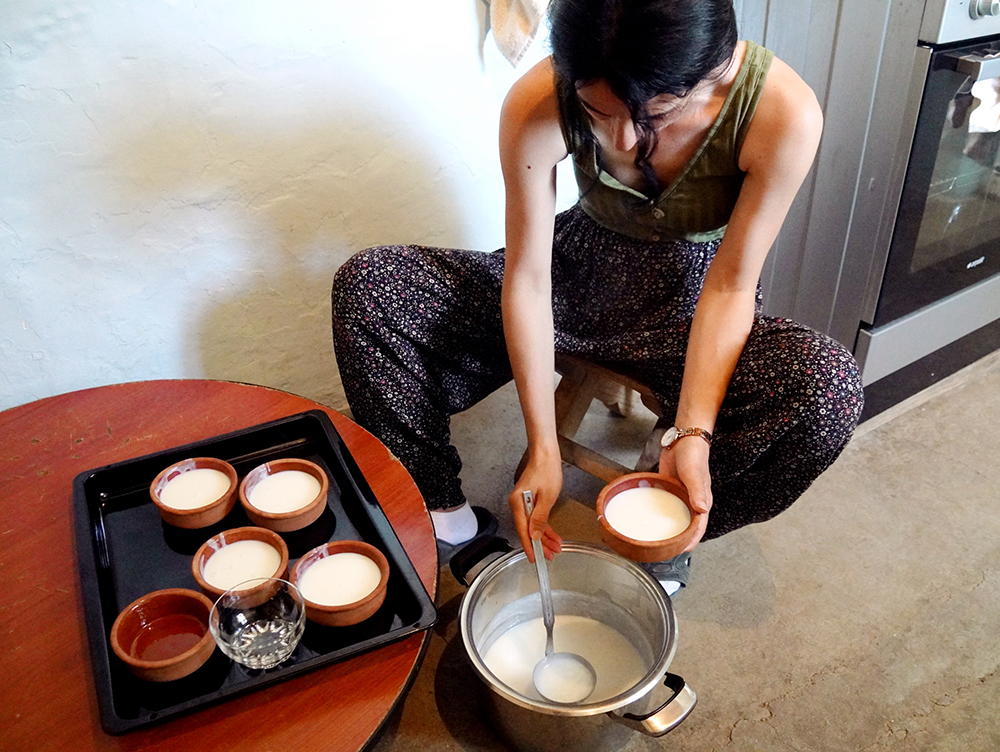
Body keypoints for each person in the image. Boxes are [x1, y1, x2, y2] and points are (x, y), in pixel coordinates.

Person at [332, 0, 863, 593]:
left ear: (713, 70)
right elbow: (529, 278)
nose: (624, 139)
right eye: (595, 111)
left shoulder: (780, 113)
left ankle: (666, 528)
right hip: (572, 275)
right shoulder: (538, 99)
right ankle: (445, 519)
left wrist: (692, 434)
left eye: (658, 111)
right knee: (371, 285)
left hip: (690, 307)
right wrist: (541, 446)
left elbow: (731, 285)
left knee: (827, 389)